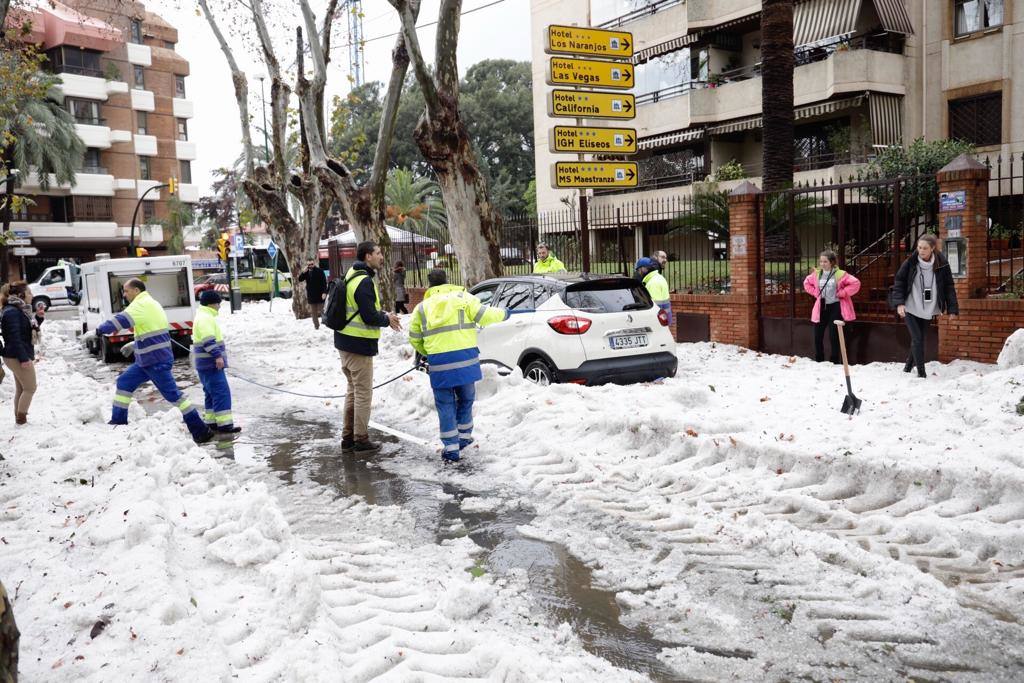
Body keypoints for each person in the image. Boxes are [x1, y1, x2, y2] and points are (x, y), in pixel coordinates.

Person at [97, 278, 213, 443]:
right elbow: (150, 330)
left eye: (126, 290)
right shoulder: (151, 303)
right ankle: (118, 421)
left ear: (136, 290)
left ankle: (201, 431)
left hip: (155, 362)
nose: (124, 294)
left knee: (174, 396)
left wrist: (99, 329)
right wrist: (134, 344)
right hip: (146, 361)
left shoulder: (141, 304)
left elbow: (119, 321)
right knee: (124, 382)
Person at [408, 269, 508, 462]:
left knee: (445, 404)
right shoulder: (463, 298)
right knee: (466, 398)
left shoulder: (422, 308)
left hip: (439, 364)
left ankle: (451, 447)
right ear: (447, 281)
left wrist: (429, 353)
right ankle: (464, 437)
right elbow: (485, 315)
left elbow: (414, 338)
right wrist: (504, 314)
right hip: (466, 361)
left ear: (430, 286)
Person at [335, 241, 402, 454]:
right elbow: (368, 316)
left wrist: (381, 315)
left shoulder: (351, 275)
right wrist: (387, 318)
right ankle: (361, 439)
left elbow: (362, 309)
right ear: (368, 257)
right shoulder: (363, 281)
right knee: (363, 393)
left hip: (345, 343)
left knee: (353, 392)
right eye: (378, 253)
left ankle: (348, 438)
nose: (381, 256)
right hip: (358, 345)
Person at [891, 234, 959, 378]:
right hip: (910, 305)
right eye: (919, 247)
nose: (921, 250)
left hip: (927, 307)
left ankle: (908, 367)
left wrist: (952, 308)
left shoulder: (942, 262)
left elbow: (948, 286)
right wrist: (899, 303)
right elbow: (899, 282)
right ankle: (921, 373)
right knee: (917, 338)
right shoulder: (910, 262)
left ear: (933, 248)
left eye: (925, 248)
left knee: (919, 338)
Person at [191, 290, 240, 434]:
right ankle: (225, 425)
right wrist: (218, 356)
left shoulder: (202, 316)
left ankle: (211, 422)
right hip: (211, 364)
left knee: (211, 393)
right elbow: (208, 341)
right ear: (212, 304)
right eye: (218, 303)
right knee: (221, 393)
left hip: (204, 365)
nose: (219, 306)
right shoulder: (206, 318)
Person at [802, 250, 861, 364]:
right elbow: (806, 283)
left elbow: (856, 283)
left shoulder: (840, 274)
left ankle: (834, 360)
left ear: (832, 262)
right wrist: (815, 293)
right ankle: (819, 359)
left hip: (836, 306)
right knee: (817, 335)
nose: (822, 264)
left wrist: (842, 293)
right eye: (821, 261)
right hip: (821, 306)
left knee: (834, 335)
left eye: (825, 261)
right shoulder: (817, 274)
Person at [0, 281, 42, 425]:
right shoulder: (12, 312)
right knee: (30, 388)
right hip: (16, 355)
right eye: (29, 292)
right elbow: (15, 338)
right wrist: (24, 359)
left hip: (15, 354)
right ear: (21, 295)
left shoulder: (19, 309)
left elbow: (26, 330)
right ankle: (21, 419)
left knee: (21, 388)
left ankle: (19, 419)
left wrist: (39, 318)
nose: (32, 295)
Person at [635, 257, 672, 325]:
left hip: (658, 322)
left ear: (643, 268)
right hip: (665, 319)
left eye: (638, 270)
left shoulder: (652, 283)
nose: (638, 273)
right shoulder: (659, 277)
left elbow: (655, 306)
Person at [297, 259, 328, 330]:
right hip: (311, 295)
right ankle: (316, 326)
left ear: (314, 264)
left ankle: (326, 324)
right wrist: (303, 272)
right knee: (314, 313)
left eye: (312, 264)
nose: (310, 266)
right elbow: (300, 279)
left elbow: (324, 283)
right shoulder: (306, 272)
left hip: (320, 295)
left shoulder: (320, 271)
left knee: (323, 310)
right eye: (309, 265)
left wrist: (324, 292)